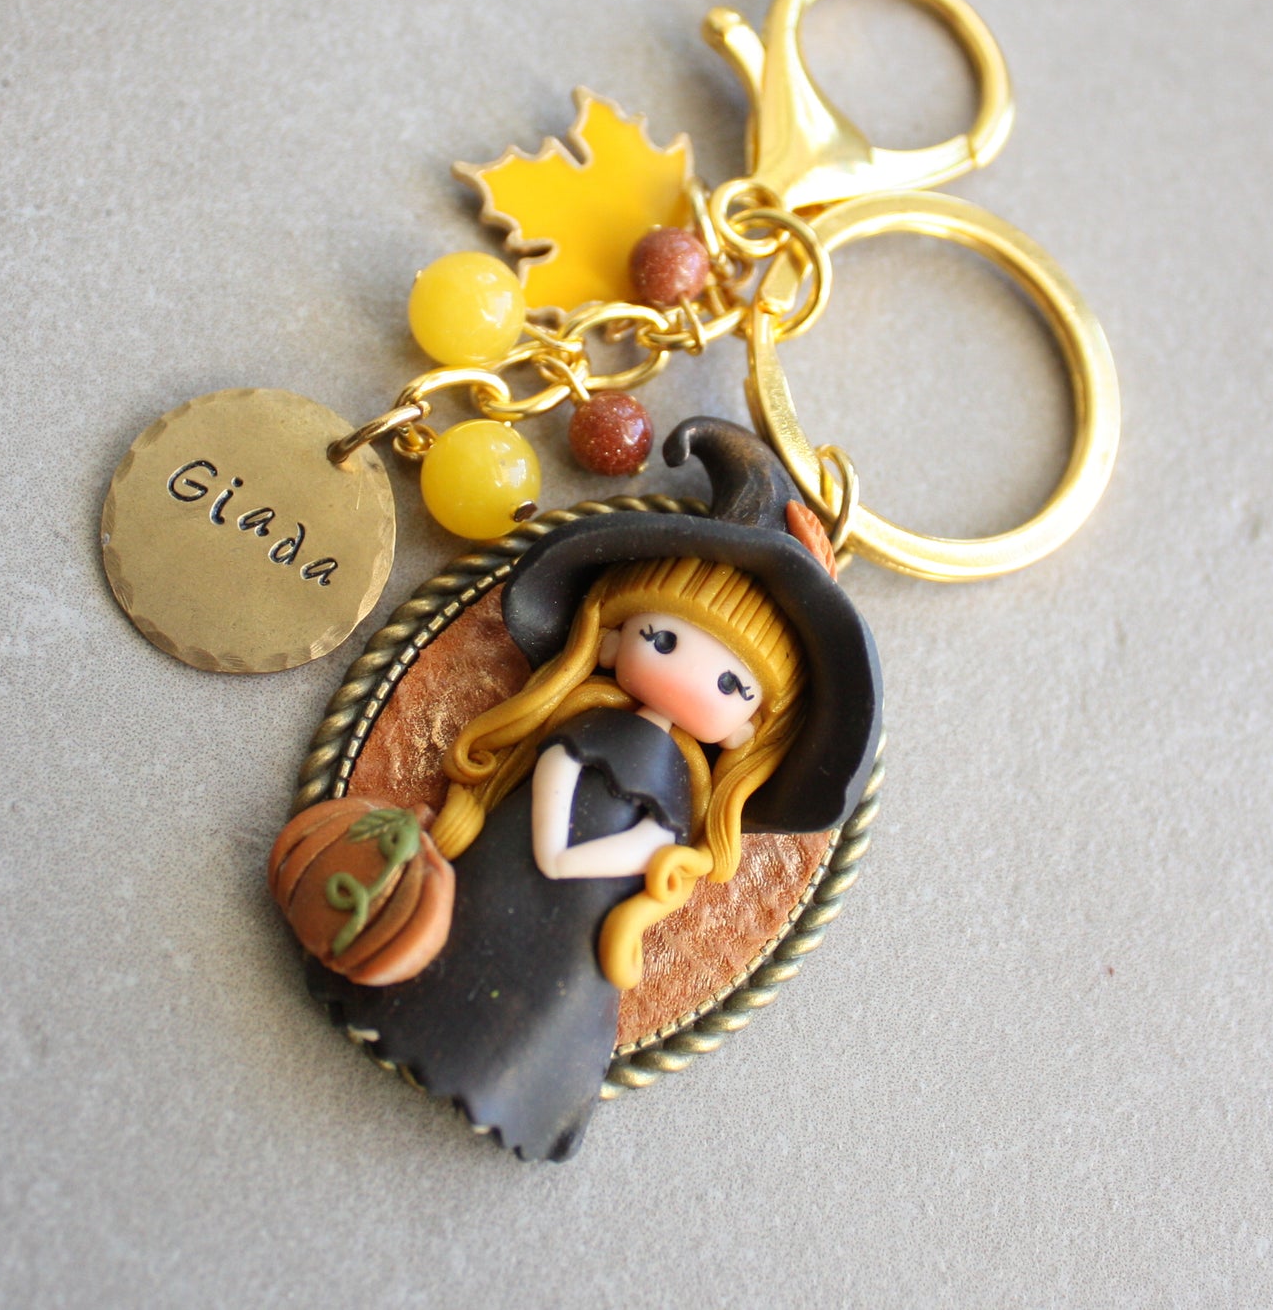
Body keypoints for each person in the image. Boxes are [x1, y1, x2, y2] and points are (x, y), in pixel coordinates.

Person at [304, 418, 882, 1160]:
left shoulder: (684, 779)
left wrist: (581, 859)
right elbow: (557, 767)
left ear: (747, 728)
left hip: (582, 914)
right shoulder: (586, 717)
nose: (685, 677)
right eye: (663, 640)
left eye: (729, 684)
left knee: (553, 990)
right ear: (609, 635)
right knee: (461, 934)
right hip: (511, 864)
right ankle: (394, 998)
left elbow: (653, 839)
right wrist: (552, 842)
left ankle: (517, 1076)